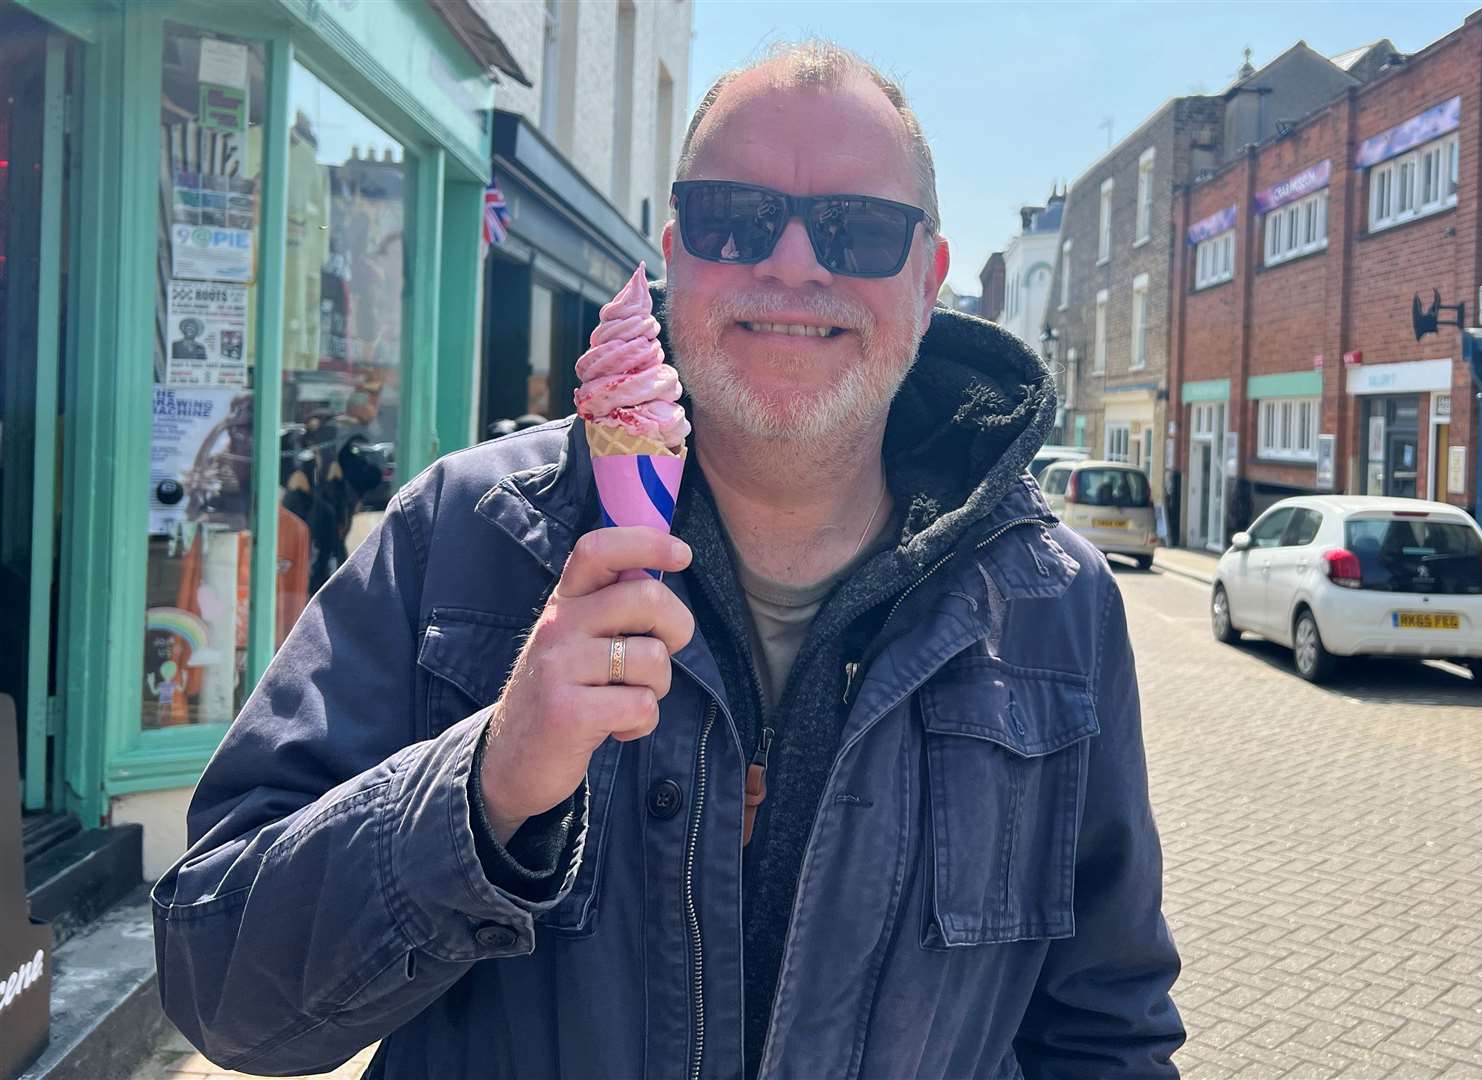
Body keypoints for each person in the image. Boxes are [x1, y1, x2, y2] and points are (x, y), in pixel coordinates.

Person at [153, 41, 1183, 1079]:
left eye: (858, 230)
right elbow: (220, 987)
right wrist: (487, 783)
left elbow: (1105, 1027)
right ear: (677, 249)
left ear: (929, 278)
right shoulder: (469, 538)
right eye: (737, 218)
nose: (792, 263)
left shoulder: (1054, 602)